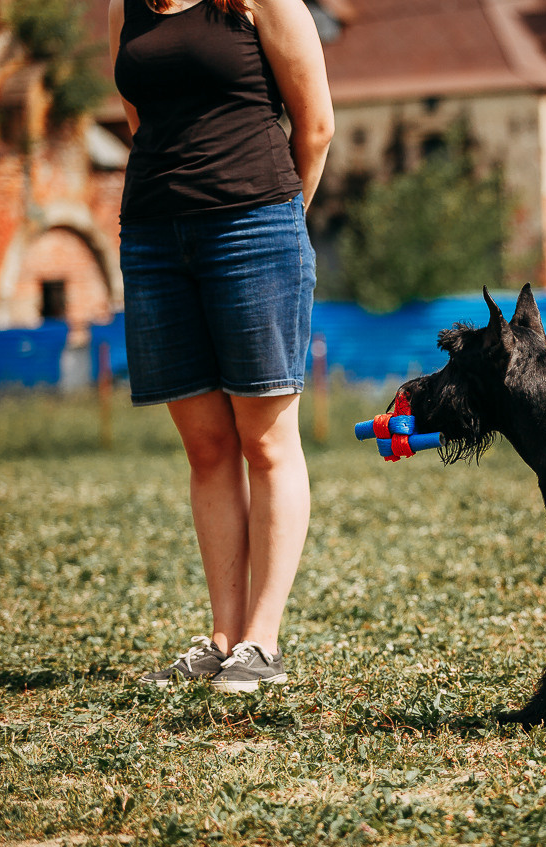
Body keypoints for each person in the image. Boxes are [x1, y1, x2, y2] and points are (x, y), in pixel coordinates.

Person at [108, 0, 333, 692]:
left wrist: (281, 219)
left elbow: (316, 125)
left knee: (265, 440)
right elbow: (139, 121)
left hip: (253, 227)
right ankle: (223, 638)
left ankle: (262, 642)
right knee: (206, 447)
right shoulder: (127, 5)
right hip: (154, 236)